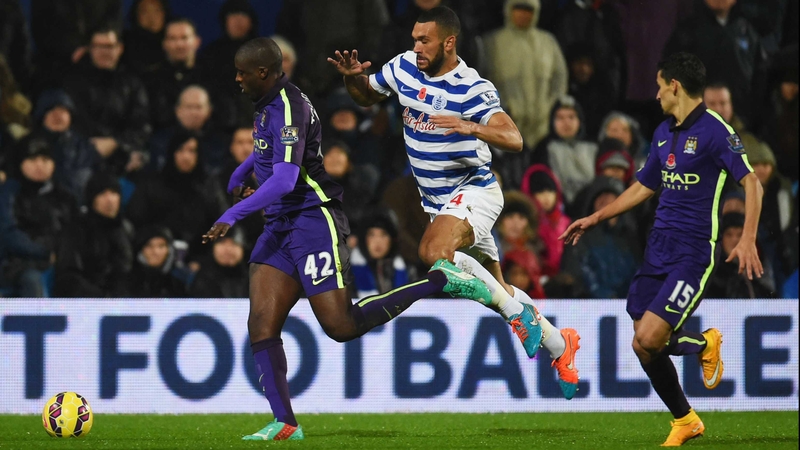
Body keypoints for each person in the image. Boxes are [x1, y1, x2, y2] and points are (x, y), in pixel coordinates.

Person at [202, 37, 493, 440]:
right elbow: (268, 146)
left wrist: (233, 213)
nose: (236, 78)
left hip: (311, 220)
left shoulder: (290, 107)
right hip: (279, 225)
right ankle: (285, 423)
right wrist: (241, 173)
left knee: (341, 325)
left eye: (242, 72)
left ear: (263, 73)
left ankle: (439, 280)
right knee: (261, 323)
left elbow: (287, 179)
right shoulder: (269, 103)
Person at [328, 5, 581, 399]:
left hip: (475, 191)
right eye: (414, 39)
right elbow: (366, 97)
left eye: (424, 40)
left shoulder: (472, 87)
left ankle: (521, 317)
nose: (416, 47)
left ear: (449, 42)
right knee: (497, 290)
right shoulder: (403, 68)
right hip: (439, 203)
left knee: (433, 251)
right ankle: (560, 347)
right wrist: (352, 80)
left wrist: (469, 125)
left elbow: (514, 139)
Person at [561, 52, 764, 446]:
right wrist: (596, 217)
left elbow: (752, 182)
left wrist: (748, 237)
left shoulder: (716, 131)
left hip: (692, 253)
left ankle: (706, 342)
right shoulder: (662, 132)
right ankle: (685, 419)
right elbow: (643, 186)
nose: (655, 95)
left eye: (658, 86)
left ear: (674, 86)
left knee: (651, 338)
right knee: (642, 342)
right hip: (658, 248)